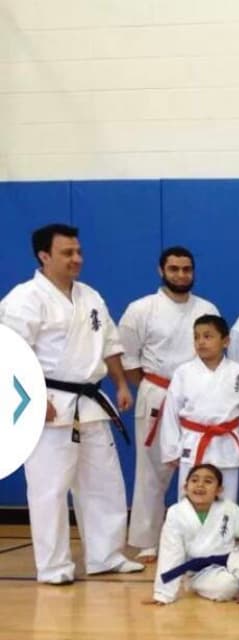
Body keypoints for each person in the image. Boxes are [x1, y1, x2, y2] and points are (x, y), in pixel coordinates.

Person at [0, 223, 143, 584]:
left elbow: (109, 342)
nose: (77, 258)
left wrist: (120, 383)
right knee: (49, 488)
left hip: (92, 400)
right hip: (48, 402)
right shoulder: (25, 298)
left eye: (78, 251)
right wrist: (32, 399)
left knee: (104, 482)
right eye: (67, 253)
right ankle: (54, 566)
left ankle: (106, 555)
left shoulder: (90, 296)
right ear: (44, 256)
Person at [118, 246, 220, 560]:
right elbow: (129, 361)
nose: (181, 275)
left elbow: (213, 352)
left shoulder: (207, 309)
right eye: (174, 269)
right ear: (161, 271)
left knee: (201, 467)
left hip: (199, 395)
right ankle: (148, 538)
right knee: (151, 468)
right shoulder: (140, 309)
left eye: (186, 269)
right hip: (157, 392)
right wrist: (158, 388)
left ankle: (204, 536)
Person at [150, 464, 239, 605]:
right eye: (194, 481)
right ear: (185, 487)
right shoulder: (176, 513)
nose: (200, 485)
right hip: (200, 571)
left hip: (231, 558)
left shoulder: (228, 508)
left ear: (219, 490)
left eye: (208, 481)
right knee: (226, 587)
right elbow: (170, 554)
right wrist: (163, 594)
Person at [160, 314, 239, 503]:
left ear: (226, 341)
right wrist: (171, 448)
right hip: (193, 443)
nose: (201, 342)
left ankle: (224, 533)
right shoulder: (183, 372)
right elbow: (171, 412)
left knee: (226, 503)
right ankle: (189, 533)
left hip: (227, 446)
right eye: (197, 337)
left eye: (208, 336)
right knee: (189, 502)